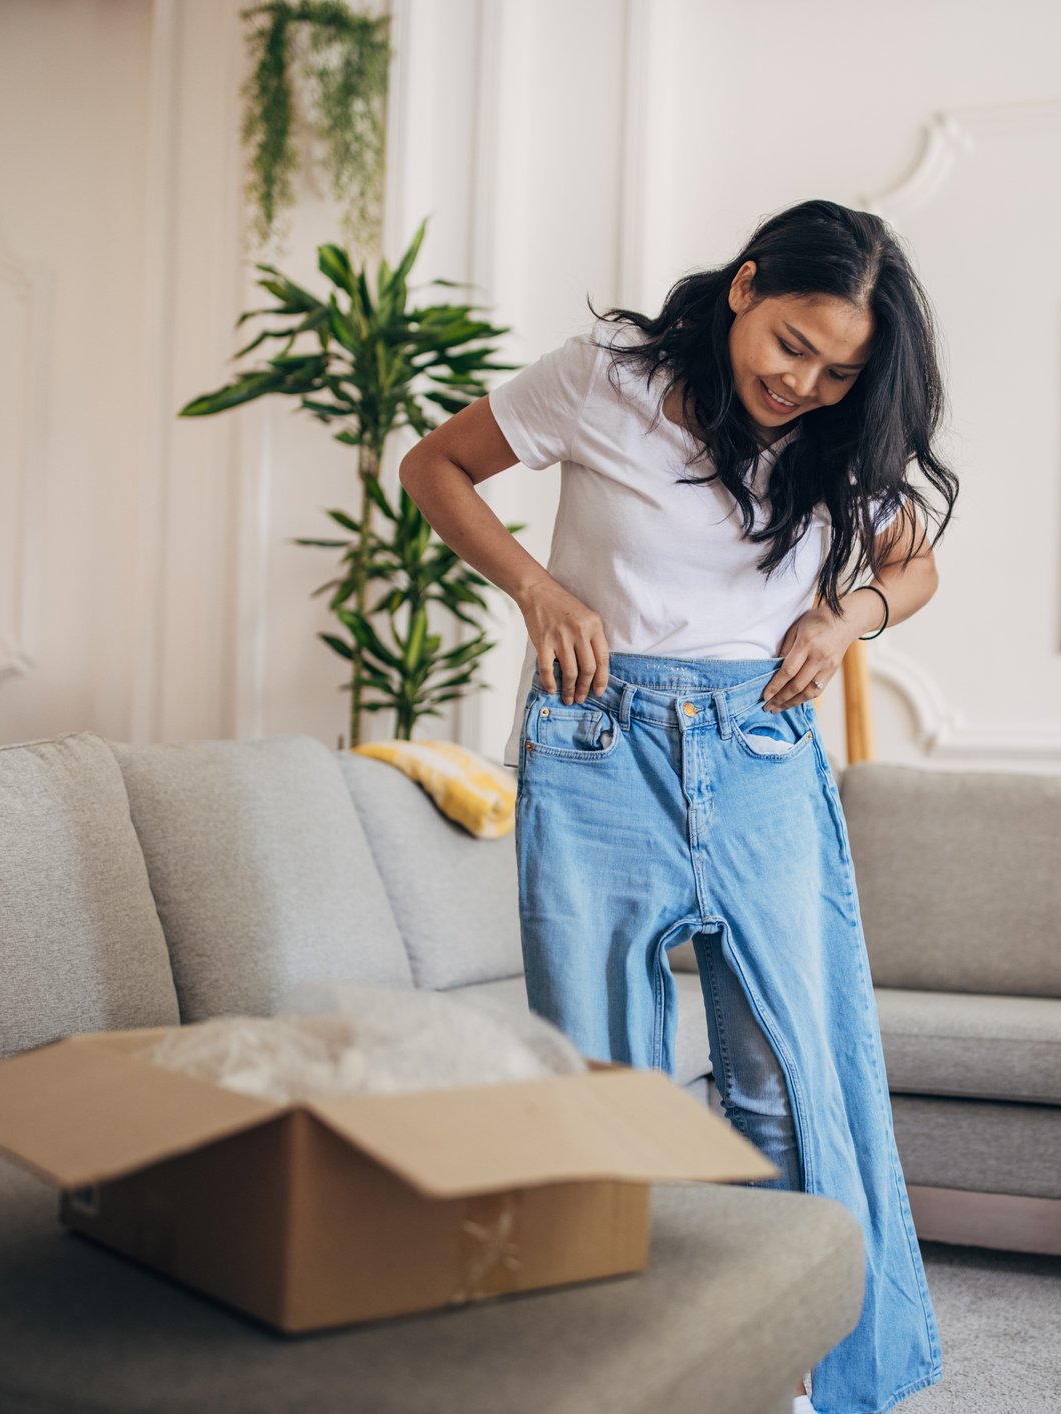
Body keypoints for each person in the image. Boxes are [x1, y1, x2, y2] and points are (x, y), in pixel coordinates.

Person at [399, 198, 957, 1414]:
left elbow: (911, 565)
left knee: (784, 1070)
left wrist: (841, 617)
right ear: (745, 285)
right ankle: (636, 1371)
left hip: (760, 745)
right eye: (791, 345)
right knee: (609, 1083)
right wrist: (539, 591)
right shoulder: (605, 378)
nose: (803, 383)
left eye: (839, 369)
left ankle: (782, 1369)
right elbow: (432, 466)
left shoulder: (838, 428)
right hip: (598, 740)